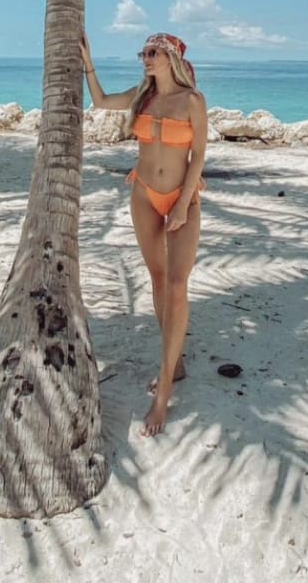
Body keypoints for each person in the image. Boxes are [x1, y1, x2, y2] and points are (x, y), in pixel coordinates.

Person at [80, 31, 207, 437]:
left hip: (181, 199)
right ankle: (176, 361)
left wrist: (185, 204)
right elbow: (100, 103)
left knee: (177, 284)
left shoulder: (192, 102)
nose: (146, 59)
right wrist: (88, 62)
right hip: (143, 195)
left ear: (172, 57)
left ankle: (164, 390)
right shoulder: (141, 96)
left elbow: (199, 155)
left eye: (153, 53)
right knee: (156, 278)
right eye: (144, 53)